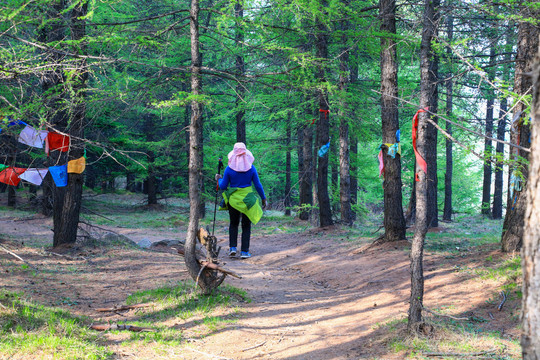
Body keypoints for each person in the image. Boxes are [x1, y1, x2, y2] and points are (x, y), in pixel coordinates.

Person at [215, 142, 267, 259]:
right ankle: (244, 252)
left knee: (233, 224)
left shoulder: (229, 169)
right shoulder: (251, 168)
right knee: (246, 225)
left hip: (233, 201)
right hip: (248, 200)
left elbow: (223, 186)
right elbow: (258, 185)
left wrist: (219, 179)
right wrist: (263, 198)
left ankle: (232, 248)